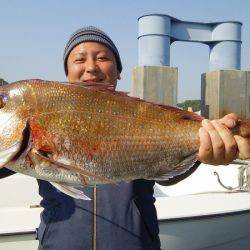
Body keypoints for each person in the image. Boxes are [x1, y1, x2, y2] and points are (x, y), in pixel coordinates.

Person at [1, 26, 250, 250]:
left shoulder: (145, 114)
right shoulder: (34, 128)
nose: (90, 67)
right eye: (79, 59)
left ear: (119, 71)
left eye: (103, 58)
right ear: (67, 74)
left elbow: (168, 178)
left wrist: (204, 150)